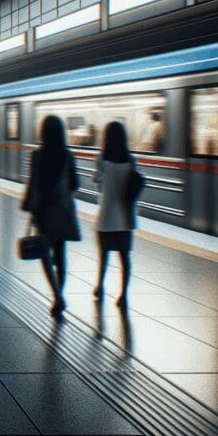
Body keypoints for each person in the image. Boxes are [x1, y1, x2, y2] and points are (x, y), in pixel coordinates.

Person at [21, 114, 80, 315]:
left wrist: (28, 205)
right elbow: (75, 184)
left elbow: (33, 183)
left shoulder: (37, 155)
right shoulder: (68, 155)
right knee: (61, 254)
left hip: (43, 210)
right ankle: (59, 295)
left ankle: (57, 295)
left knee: (45, 253)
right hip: (62, 210)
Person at [94, 121, 136, 307]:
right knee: (125, 258)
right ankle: (123, 295)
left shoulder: (102, 159)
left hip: (106, 216)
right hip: (126, 218)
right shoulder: (131, 160)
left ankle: (100, 286)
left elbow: (98, 183)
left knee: (104, 256)